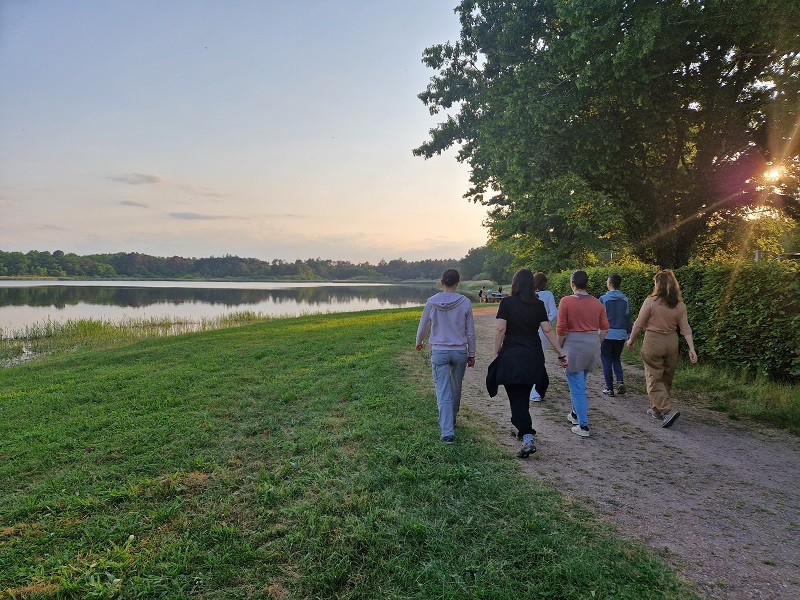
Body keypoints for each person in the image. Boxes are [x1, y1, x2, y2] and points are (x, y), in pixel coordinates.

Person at [490, 268, 568, 457]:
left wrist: (496, 350)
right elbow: (548, 331)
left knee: (516, 397)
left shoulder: (507, 303)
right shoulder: (538, 304)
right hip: (532, 354)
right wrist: (560, 353)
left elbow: (501, 329)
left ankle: (527, 437)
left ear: (515, 283)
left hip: (512, 354)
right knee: (522, 394)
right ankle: (520, 427)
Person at [626, 270, 698, 428]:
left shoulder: (651, 302)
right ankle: (656, 410)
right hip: (672, 342)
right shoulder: (680, 305)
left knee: (653, 377)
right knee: (666, 375)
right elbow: (685, 329)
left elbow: (638, 323)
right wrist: (691, 348)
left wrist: (631, 339)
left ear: (658, 284)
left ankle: (667, 411)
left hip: (653, 341)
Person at [415, 268, 476, 444]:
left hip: (440, 351)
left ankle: (447, 431)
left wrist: (419, 342)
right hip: (459, 352)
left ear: (442, 282)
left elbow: (423, 326)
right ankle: (452, 419)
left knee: (443, 391)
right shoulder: (464, 302)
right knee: (456, 389)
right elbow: (470, 332)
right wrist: (471, 353)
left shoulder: (431, 302)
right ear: (458, 282)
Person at [557, 270, 609, 438]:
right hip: (592, 345)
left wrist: (559, 348)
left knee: (577, 387)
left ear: (573, 284)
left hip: (574, 346)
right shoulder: (597, 303)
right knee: (580, 381)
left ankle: (583, 425)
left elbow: (561, 329)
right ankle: (574, 414)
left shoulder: (566, 301)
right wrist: (597, 342)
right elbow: (605, 327)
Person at [599, 274, 631, 396]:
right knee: (616, 358)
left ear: (609, 283)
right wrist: (629, 333)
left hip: (606, 333)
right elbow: (628, 317)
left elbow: (599, 317)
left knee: (606, 359)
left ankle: (609, 388)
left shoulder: (603, 299)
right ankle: (620, 380)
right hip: (621, 334)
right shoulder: (625, 300)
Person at [529, 271, 558, 401]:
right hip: (543, 330)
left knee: (530, 359)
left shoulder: (528, 295)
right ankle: (536, 389)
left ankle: (532, 388)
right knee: (539, 358)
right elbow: (554, 313)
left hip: (529, 330)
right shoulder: (548, 295)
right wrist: (546, 322)